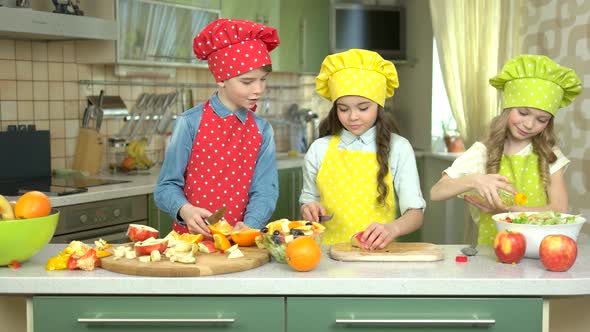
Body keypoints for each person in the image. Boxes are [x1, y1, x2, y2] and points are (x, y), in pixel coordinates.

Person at [430, 54, 582, 245]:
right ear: (507, 108)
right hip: (493, 257)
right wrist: (475, 181)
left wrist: (508, 211)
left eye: (541, 120)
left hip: (541, 255)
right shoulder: (481, 153)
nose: (528, 124)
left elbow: (560, 210)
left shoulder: (551, 155)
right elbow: (436, 192)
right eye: (523, 113)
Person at [154, 18, 280, 236]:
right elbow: (165, 187)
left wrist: (250, 224)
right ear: (221, 79)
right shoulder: (189, 123)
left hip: (241, 245)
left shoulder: (263, 130)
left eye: (263, 80)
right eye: (247, 82)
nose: (258, 89)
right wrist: (186, 210)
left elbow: (265, 191)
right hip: (189, 245)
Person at [299, 49, 425, 250]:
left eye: (363, 108)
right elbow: (308, 199)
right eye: (343, 108)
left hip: (378, 256)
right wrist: (308, 208)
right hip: (326, 256)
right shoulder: (318, 149)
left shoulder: (399, 148)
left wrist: (392, 229)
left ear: (379, 106)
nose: (353, 117)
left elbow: (415, 215)